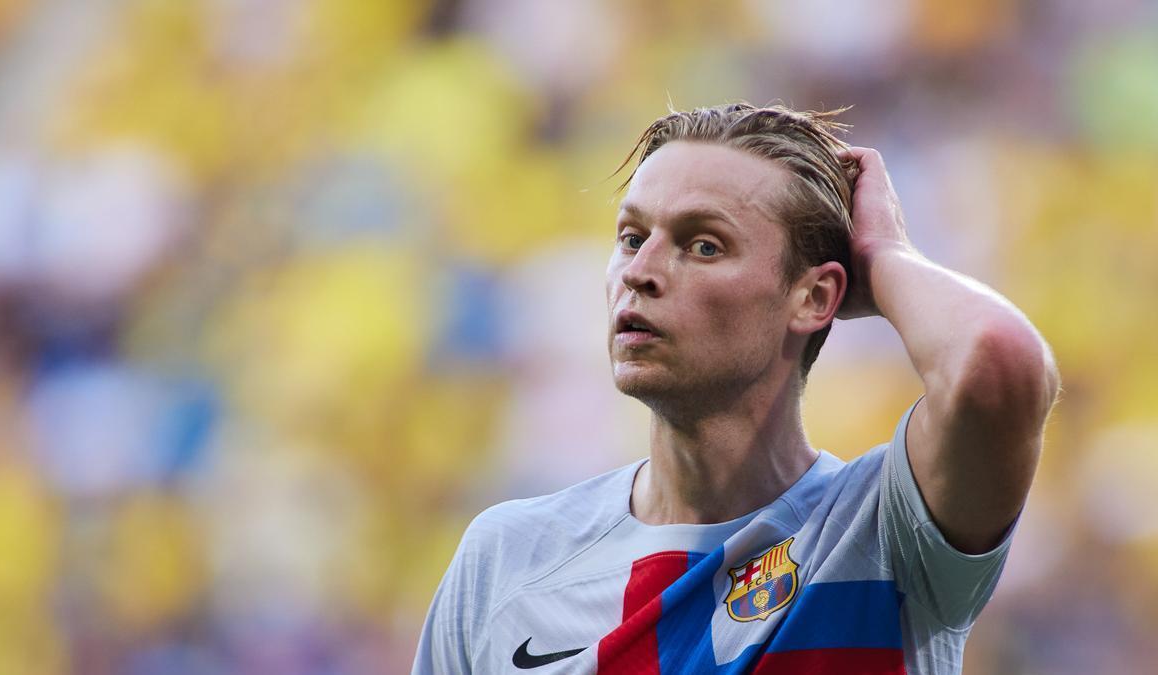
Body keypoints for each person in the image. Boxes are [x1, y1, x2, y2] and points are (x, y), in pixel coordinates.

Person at [412, 103, 1060, 674]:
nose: (639, 272)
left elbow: (997, 366)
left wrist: (885, 255)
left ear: (814, 296)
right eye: (631, 238)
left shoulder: (879, 532)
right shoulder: (508, 559)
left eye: (702, 245)